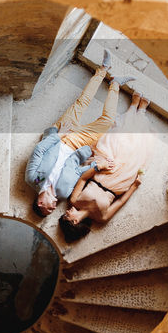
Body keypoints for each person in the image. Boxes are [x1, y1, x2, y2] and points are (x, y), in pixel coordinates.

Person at [25, 50, 134, 217]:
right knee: (107, 120)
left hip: (59, 135)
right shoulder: (63, 194)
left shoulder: (33, 179)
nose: (53, 209)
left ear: (40, 203)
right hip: (77, 145)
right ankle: (115, 84)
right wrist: (96, 166)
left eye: (48, 209)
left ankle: (103, 69)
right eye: (52, 211)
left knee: (82, 102)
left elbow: (39, 150)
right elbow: (78, 172)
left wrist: (60, 134)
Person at [59, 92, 153, 242]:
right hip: (120, 182)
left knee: (118, 142)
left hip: (102, 174)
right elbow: (120, 202)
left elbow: (83, 179)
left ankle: (133, 106)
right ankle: (141, 112)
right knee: (135, 150)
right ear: (75, 221)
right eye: (67, 215)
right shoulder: (101, 218)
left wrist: (98, 167)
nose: (67, 211)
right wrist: (134, 186)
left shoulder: (74, 200)